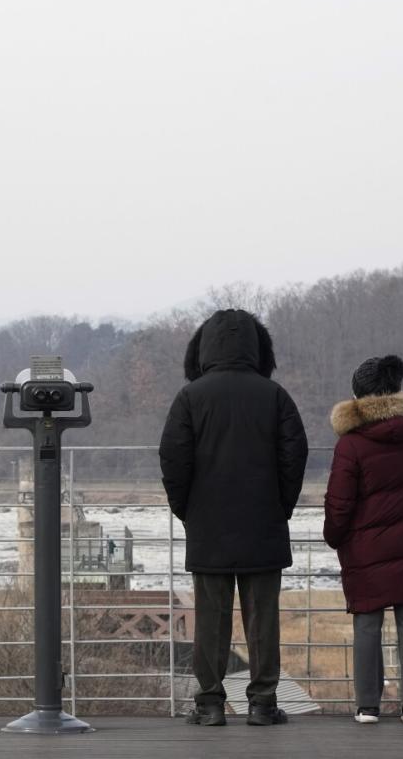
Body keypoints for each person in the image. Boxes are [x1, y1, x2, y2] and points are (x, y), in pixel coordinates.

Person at [159, 309, 309, 727]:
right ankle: (262, 703)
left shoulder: (190, 398)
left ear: (203, 348)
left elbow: (173, 458)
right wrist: (282, 506)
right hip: (264, 523)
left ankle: (209, 703)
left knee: (210, 620)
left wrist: (186, 509)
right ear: (258, 348)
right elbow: (294, 455)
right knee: (263, 620)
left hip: (207, 526)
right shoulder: (274, 395)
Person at [323, 355, 403, 725]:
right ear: (397, 392)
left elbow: (339, 501)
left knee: (367, 622)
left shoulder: (351, 444)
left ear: (358, 395)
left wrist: (333, 536)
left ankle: (368, 705)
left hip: (364, 547)